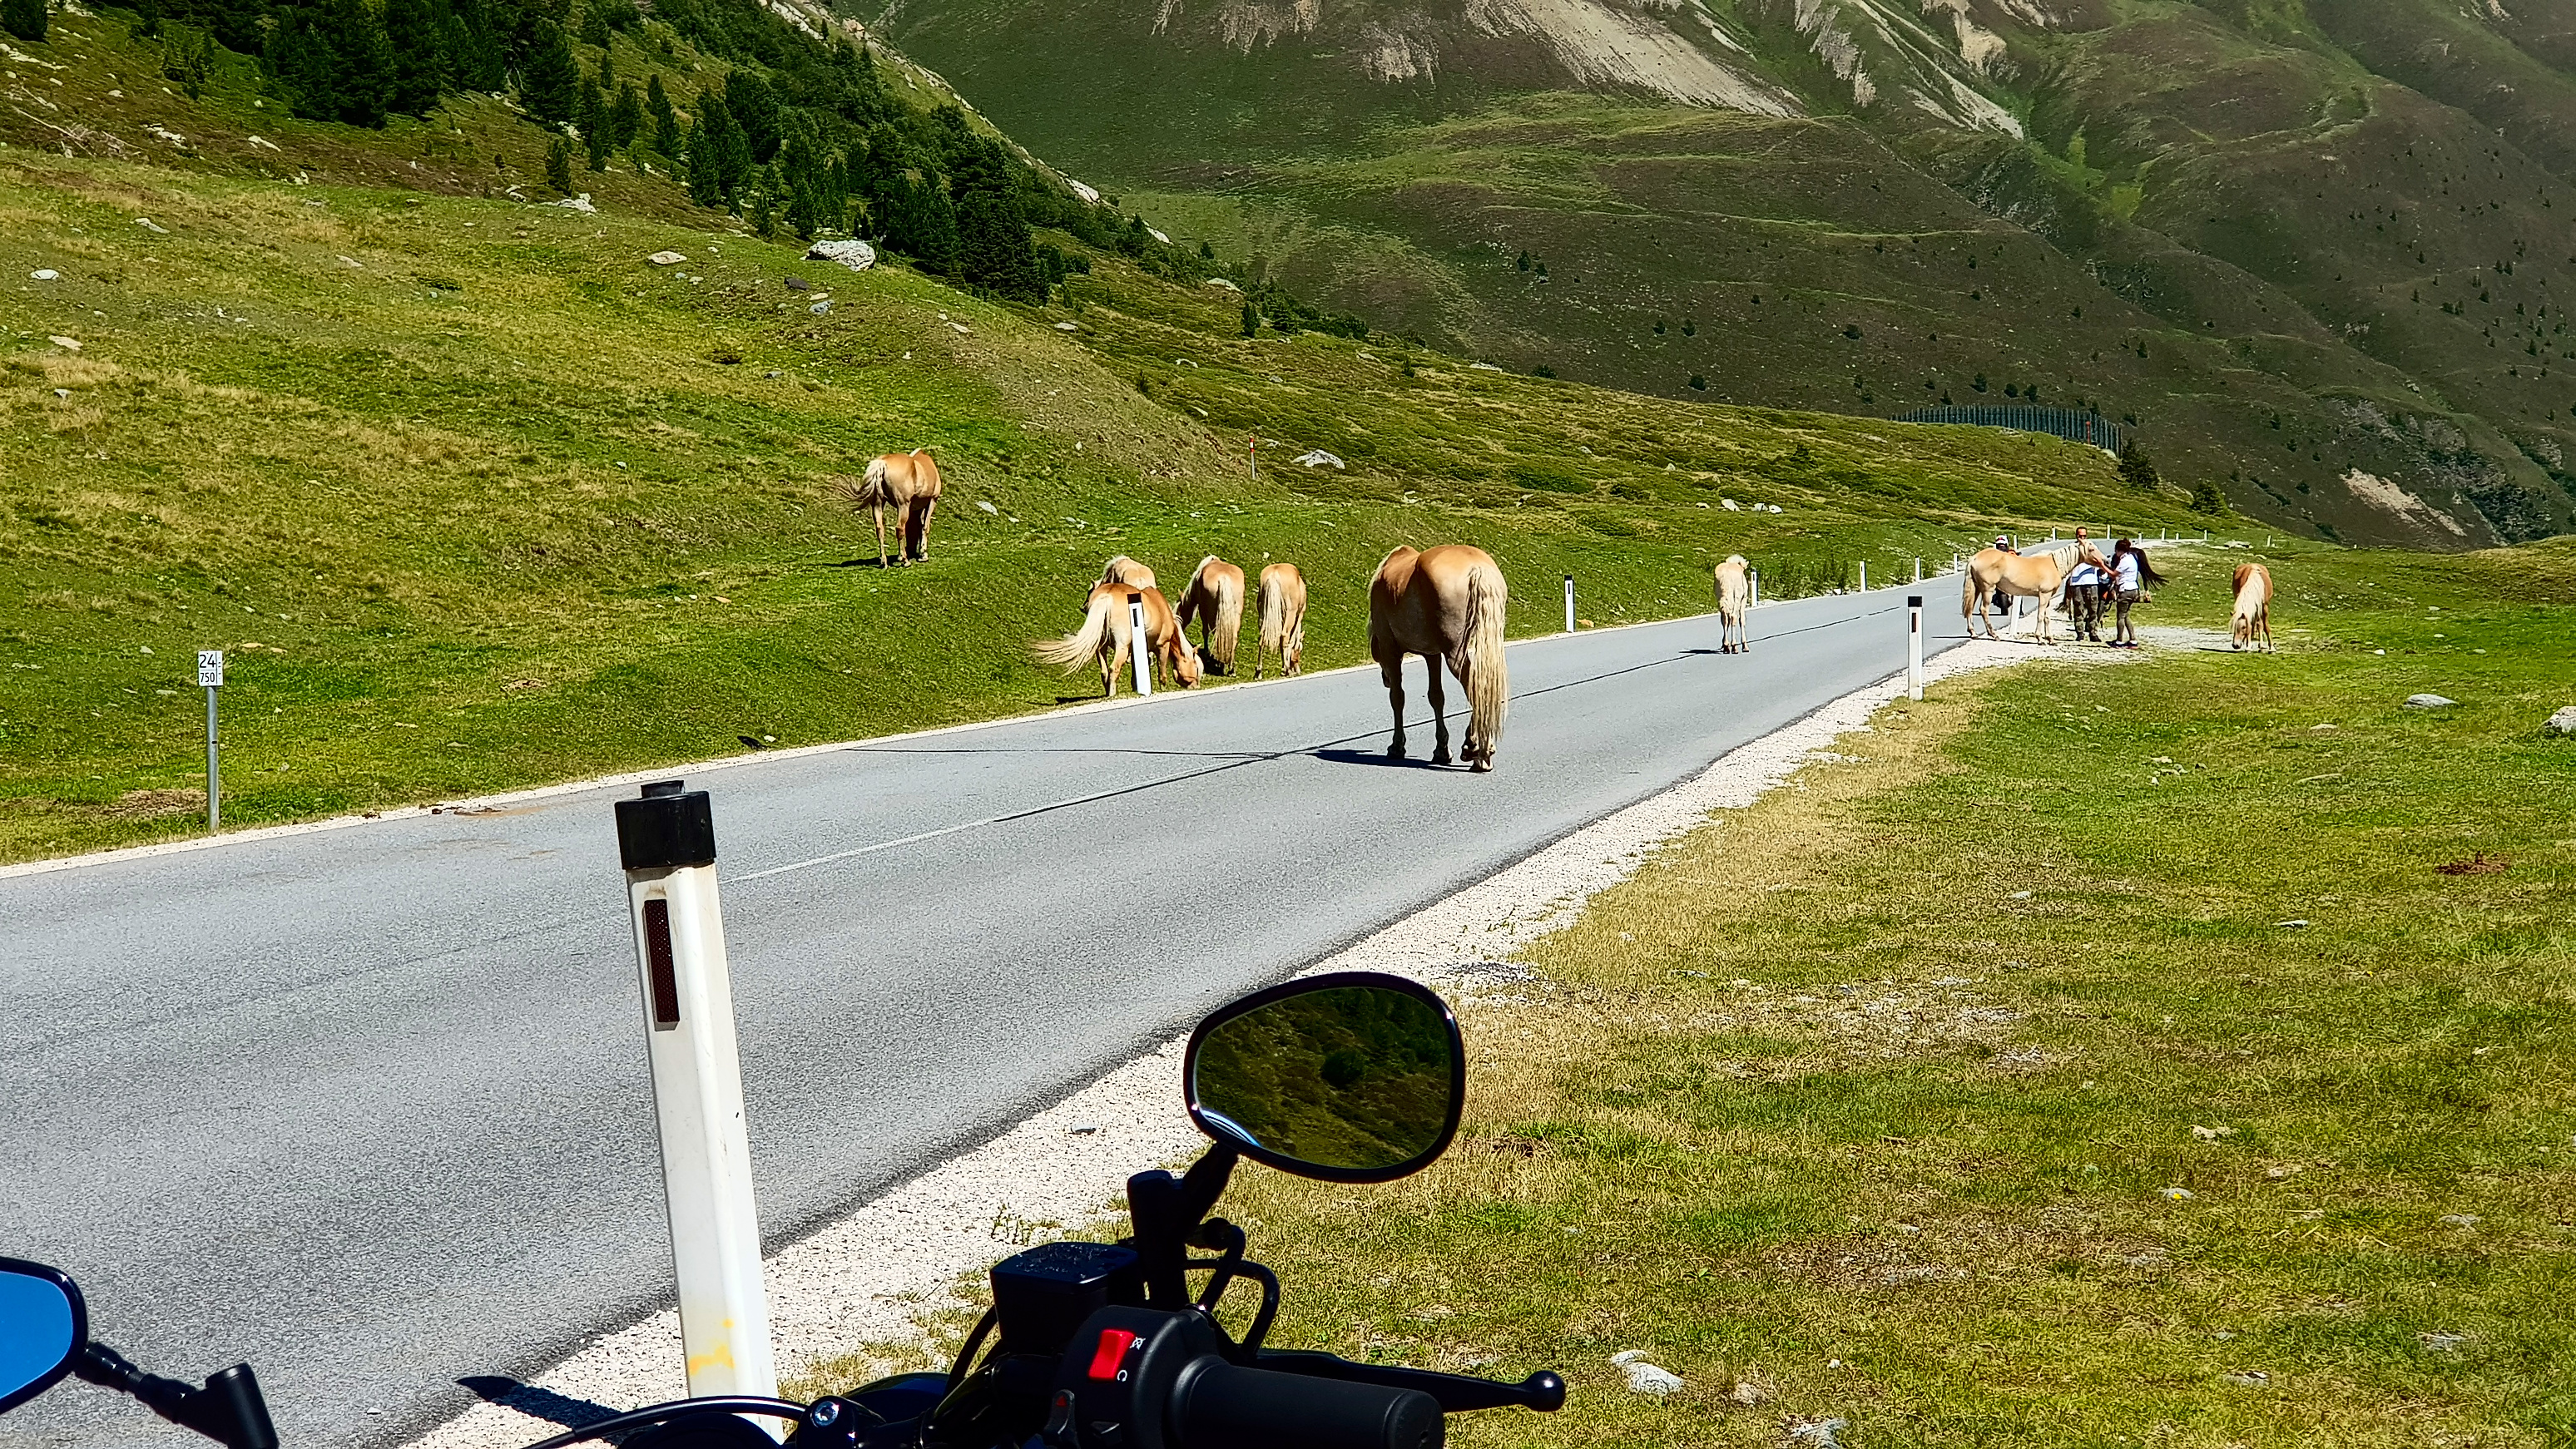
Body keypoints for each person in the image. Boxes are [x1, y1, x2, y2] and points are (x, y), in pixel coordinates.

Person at [2108, 538, 2164, 647]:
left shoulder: (2124, 560)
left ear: (2119, 550)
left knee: (2120, 616)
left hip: (2125, 590)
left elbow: (2113, 574)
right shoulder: (2132, 558)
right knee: (2126, 615)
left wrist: (2102, 566)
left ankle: (2119, 640)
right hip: (2134, 589)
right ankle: (2132, 639)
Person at [2064, 549, 2105, 642]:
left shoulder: (2093, 553)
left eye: (2084, 537)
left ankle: (2093, 632)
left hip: (2091, 582)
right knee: (2078, 608)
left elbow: (2102, 565)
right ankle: (2080, 633)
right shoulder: (2073, 554)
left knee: (2093, 609)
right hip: (2076, 582)